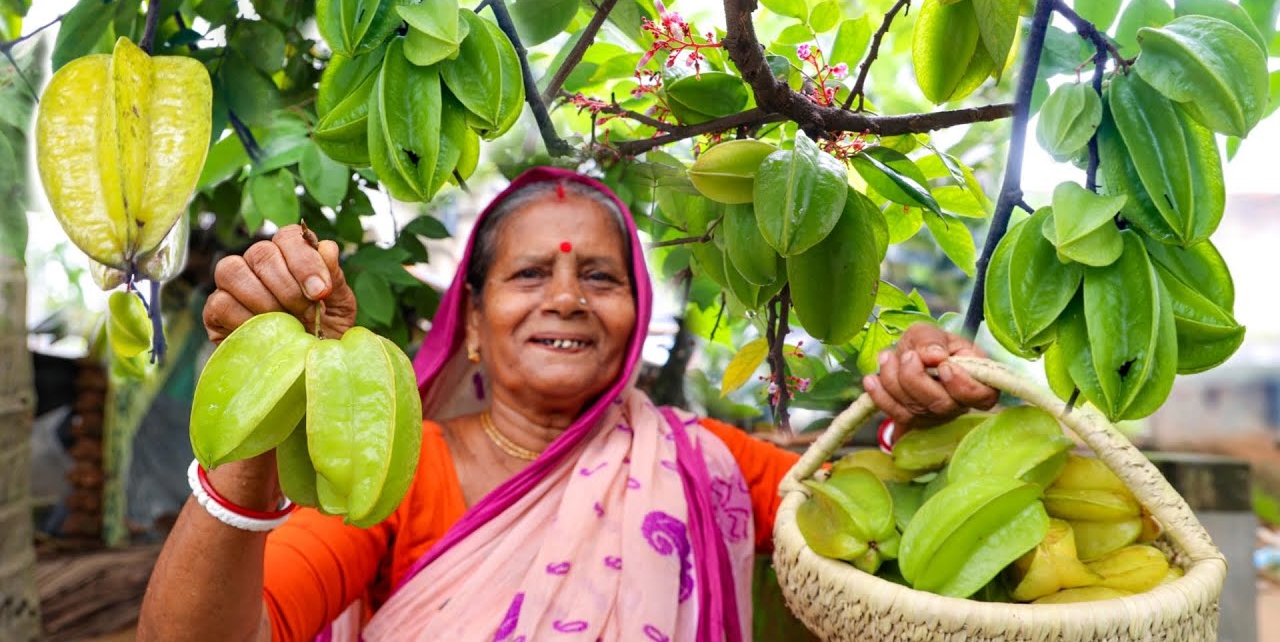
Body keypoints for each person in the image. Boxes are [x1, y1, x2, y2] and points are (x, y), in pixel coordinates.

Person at [138, 167, 998, 641]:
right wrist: (265, 410)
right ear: (472, 323)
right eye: (528, 274)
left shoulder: (704, 464)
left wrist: (920, 413)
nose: (567, 298)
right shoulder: (401, 476)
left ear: (636, 319)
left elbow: (881, 526)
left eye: (599, 276)